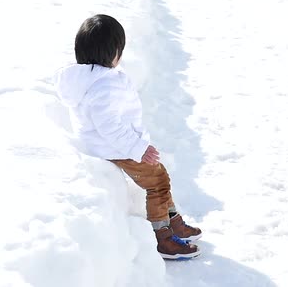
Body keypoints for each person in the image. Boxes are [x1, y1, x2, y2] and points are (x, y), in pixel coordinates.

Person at [55, 14, 202, 259]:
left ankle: (174, 222)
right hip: (116, 148)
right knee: (157, 183)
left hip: (110, 144)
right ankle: (164, 238)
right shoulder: (105, 86)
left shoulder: (88, 80)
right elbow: (109, 126)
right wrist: (137, 148)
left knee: (160, 176)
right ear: (114, 53)